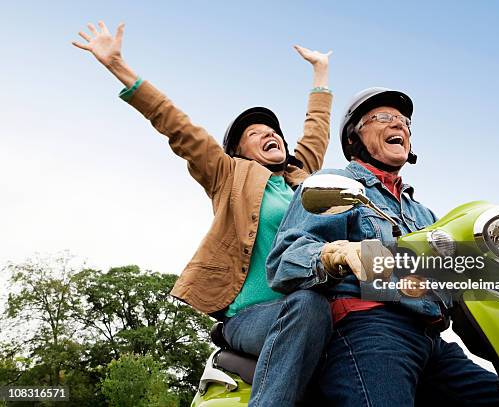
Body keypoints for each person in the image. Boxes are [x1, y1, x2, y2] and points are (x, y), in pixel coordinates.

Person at [73, 21, 333, 406]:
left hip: (313, 313)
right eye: (254, 133)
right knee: (308, 305)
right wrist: (118, 66)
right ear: (241, 152)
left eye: (272, 129)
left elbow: (316, 130)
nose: (268, 134)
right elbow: (177, 125)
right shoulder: (228, 175)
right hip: (254, 315)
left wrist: (320, 71)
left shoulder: (303, 179)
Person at [267, 87, 499, 406]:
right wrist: (332, 253)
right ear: (354, 138)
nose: (398, 125)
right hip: (371, 328)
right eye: (383, 117)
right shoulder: (336, 185)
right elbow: (284, 260)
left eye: (404, 121)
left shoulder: (424, 214)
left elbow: (455, 281)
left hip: (434, 342)